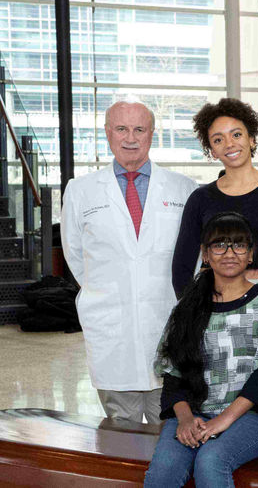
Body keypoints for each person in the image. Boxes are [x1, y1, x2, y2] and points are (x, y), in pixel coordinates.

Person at [62, 100, 198, 423]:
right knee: (120, 432)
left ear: (152, 133)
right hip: (112, 331)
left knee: (171, 428)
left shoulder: (183, 188)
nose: (130, 137)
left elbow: (192, 260)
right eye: (121, 128)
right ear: (108, 133)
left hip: (167, 325)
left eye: (139, 129)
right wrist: (115, 288)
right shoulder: (80, 191)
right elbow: (76, 257)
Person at [144, 213, 258, 487]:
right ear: (205, 255)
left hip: (254, 416)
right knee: (163, 473)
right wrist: (185, 420)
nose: (229, 253)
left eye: (239, 245)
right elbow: (174, 375)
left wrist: (220, 422)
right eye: (219, 245)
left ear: (251, 254)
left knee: (211, 459)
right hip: (194, 414)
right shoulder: (188, 305)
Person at [173, 98, 258, 294]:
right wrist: (192, 310)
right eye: (218, 139)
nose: (229, 144)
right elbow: (182, 267)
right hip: (214, 302)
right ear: (212, 151)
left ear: (251, 139)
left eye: (236, 134)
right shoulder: (200, 199)